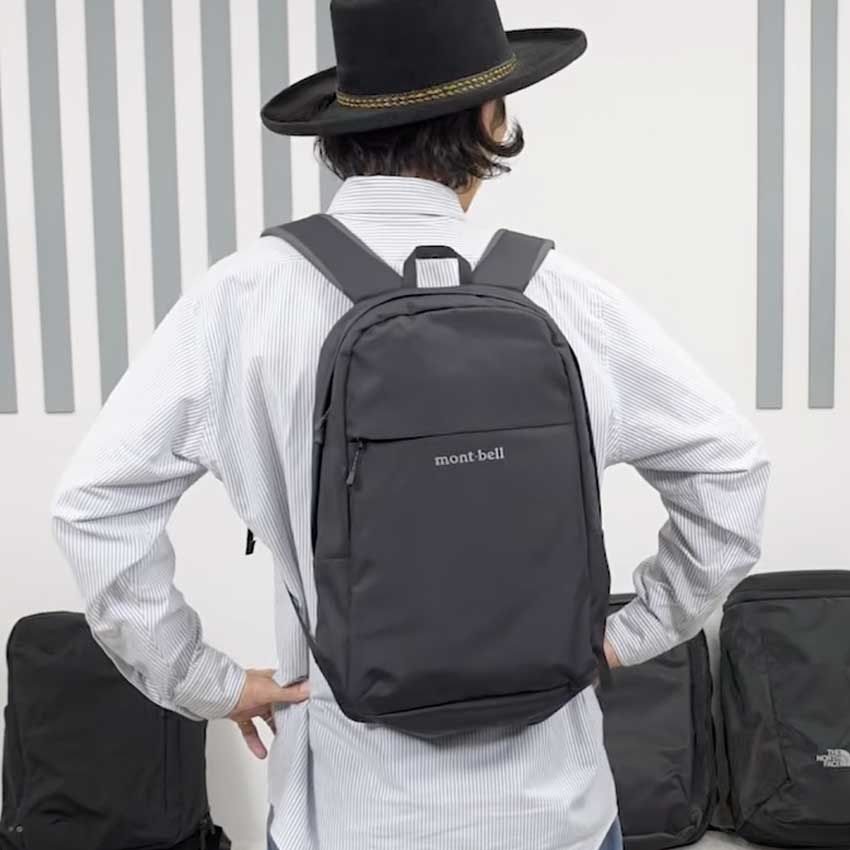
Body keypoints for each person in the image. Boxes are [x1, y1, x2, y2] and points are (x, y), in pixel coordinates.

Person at [51, 2, 771, 849]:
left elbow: (94, 508)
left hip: (350, 817)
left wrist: (201, 680)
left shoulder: (245, 298)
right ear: (489, 119)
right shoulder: (561, 292)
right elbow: (731, 472)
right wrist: (620, 638)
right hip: (557, 815)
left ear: (345, 128)